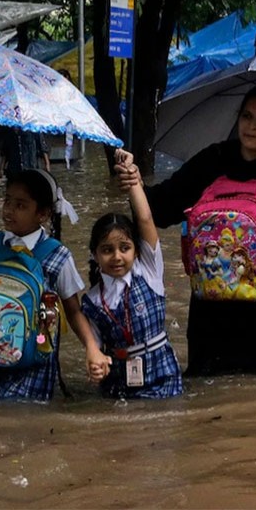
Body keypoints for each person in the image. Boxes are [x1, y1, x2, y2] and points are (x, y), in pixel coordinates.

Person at [120, 84, 256, 376]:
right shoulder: (212, 161)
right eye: (247, 116)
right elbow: (159, 210)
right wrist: (134, 182)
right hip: (211, 330)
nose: (252, 125)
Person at [0, 169, 110, 402]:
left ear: (42, 214)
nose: (9, 210)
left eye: (20, 205)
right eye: (7, 201)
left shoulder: (57, 256)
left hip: (36, 368)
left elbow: (73, 311)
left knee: (13, 414)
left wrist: (92, 348)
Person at [81, 149, 183, 399]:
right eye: (107, 250)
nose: (117, 256)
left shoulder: (148, 270)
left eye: (124, 248)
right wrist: (96, 367)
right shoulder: (92, 301)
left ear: (137, 251)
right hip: (119, 385)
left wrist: (133, 179)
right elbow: (95, 349)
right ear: (95, 255)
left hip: (164, 378)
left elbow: (145, 218)